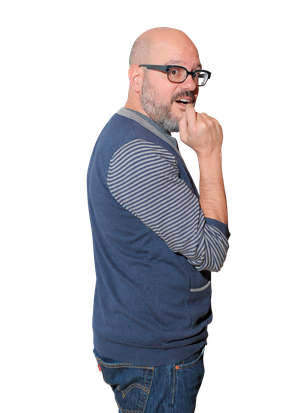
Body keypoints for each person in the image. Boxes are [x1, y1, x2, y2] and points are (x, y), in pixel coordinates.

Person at [86, 26, 229, 413]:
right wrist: (210, 156)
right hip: (158, 360)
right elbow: (212, 252)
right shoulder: (138, 153)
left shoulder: (141, 133)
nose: (190, 86)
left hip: (147, 346)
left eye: (196, 74)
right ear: (135, 77)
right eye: (173, 71)